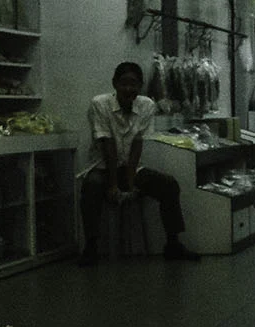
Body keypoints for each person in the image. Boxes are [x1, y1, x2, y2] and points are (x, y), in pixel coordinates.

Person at [79, 61, 199, 263]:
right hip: (103, 166)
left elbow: (137, 144)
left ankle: (173, 244)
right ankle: (91, 247)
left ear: (140, 85)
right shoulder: (99, 104)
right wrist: (113, 185)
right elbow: (107, 144)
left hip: (130, 166)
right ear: (114, 84)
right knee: (91, 187)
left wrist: (131, 181)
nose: (129, 89)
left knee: (168, 185)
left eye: (134, 84)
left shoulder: (146, 105)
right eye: (124, 83)